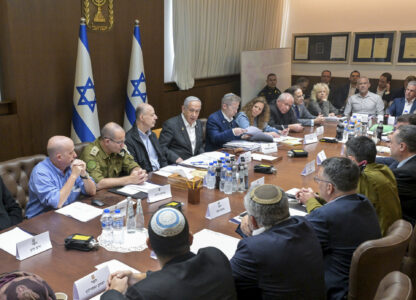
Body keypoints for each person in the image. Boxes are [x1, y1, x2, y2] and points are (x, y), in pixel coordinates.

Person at [102, 207, 237, 300]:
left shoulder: (144, 293)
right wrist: (140, 277)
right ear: (190, 238)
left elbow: (172, 279)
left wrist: (114, 292)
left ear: (149, 245)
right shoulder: (215, 256)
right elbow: (181, 275)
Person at [297, 157, 381, 300]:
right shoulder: (363, 201)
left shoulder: (324, 216)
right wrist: (318, 199)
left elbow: (295, 248)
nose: (317, 184)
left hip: (337, 290)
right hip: (366, 282)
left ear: (329, 187)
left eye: (318, 180)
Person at [230, 184, 325, 299]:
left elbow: (226, 282)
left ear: (253, 221)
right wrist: (251, 219)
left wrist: (251, 221)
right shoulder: (304, 224)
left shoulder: (252, 249)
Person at [26, 136, 96, 218]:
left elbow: (92, 191)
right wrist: (73, 176)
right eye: (71, 153)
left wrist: (83, 174)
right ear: (59, 157)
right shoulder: (40, 173)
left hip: (69, 213)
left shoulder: (71, 165)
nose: (75, 155)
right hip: (41, 219)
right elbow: (57, 203)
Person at [81, 122, 147, 190]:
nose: (123, 145)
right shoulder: (90, 154)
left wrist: (138, 173)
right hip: (96, 195)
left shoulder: (119, 149)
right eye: (119, 142)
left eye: (124, 141)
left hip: (115, 191)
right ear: (107, 141)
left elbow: (131, 164)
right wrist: (130, 179)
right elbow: (98, 183)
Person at [159, 96, 204, 164]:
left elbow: (199, 145)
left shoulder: (199, 123)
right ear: (183, 109)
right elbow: (161, 147)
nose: (194, 115)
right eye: (191, 110)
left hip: (195, 163)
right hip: (178, 165)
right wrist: (175, 158)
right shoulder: (171, 124)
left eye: (197, 111)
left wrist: (203, 156)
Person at [125, 103, 168, 172]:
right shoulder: (129, 139)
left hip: (161, 173)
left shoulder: (152, 135)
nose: (156, 117)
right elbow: (134, 167)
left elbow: (162, 158)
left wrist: (167, 172)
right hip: (147, 177)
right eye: (152, 115)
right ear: (142, 117)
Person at [389, 125, 416, 225]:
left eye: (391, 142)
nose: (389, 145)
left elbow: (380, 189)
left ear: (402, 146)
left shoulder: (406, 174)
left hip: (404, 224)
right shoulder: (408, 159)